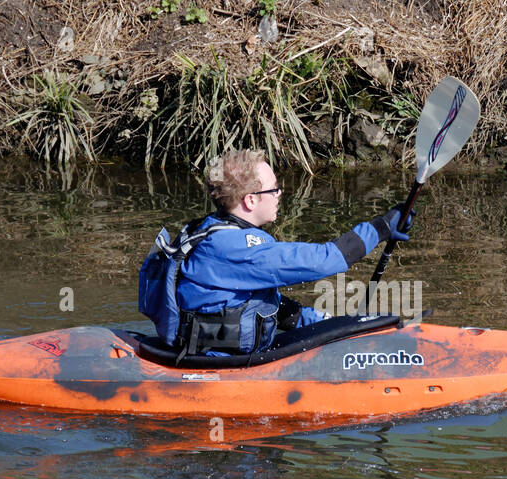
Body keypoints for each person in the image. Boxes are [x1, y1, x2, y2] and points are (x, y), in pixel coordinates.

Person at [139, 149, 411, 357]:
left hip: (218, 350)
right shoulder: (235, 248)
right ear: (250, 200)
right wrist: (381, 227)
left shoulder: (211, 228)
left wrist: (329, 324)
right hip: (219, 362)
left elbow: (254, 302)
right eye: (274, 189)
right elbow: (326, 259)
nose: (280, 193)